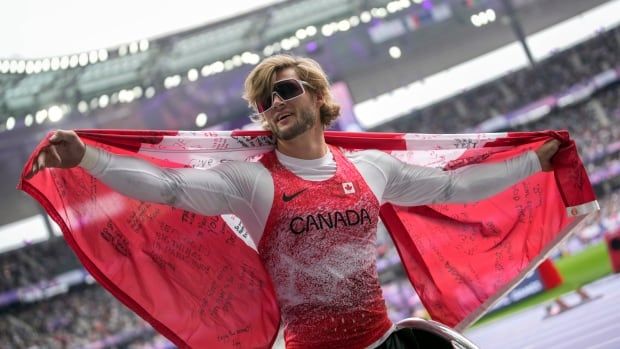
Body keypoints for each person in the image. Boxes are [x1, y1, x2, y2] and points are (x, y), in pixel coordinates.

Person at [27, 54, 560, 348]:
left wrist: (536, 162)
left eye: (285, 91)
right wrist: (88, 160)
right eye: (265, 101)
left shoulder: (370, 169)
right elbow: (168, 188)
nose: (273, 104)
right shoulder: (252, 183)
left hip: (385, 345)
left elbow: (451, 189)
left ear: (318, 97)